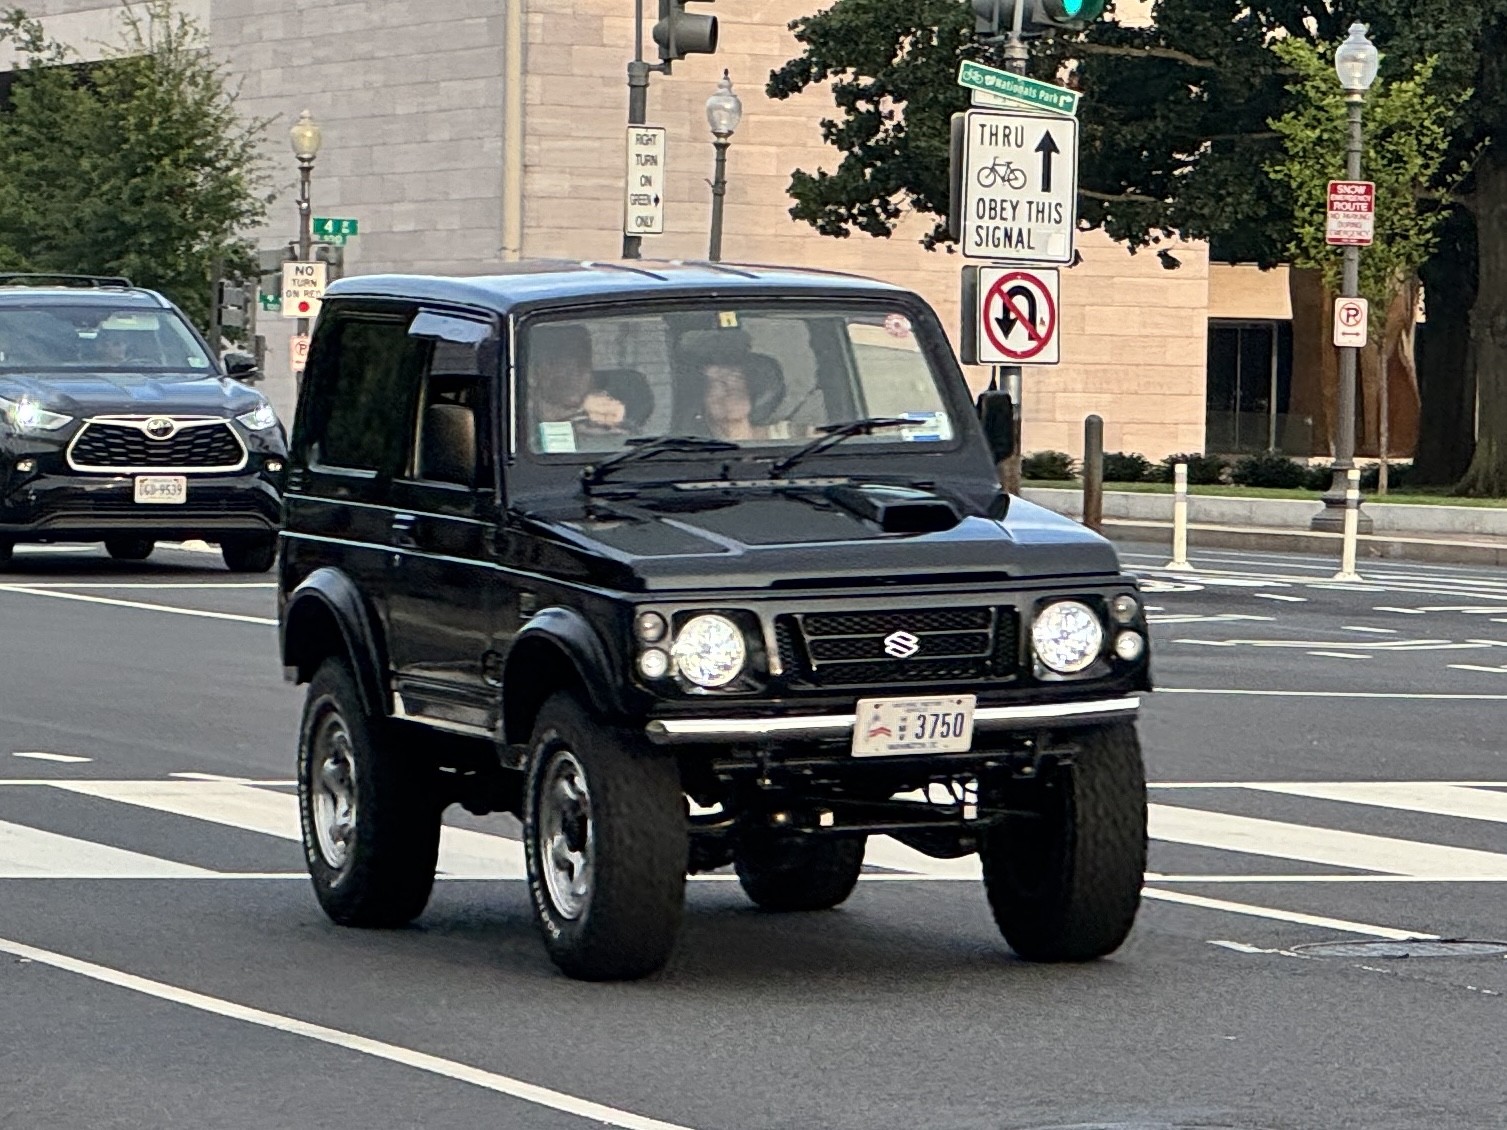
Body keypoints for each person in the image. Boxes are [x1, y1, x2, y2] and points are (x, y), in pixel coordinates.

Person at [528, 323, 628, 444]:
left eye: (583, 366)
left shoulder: (605, 418)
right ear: (535, 372)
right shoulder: (516, 420)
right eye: (561, 365)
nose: (576, 376)